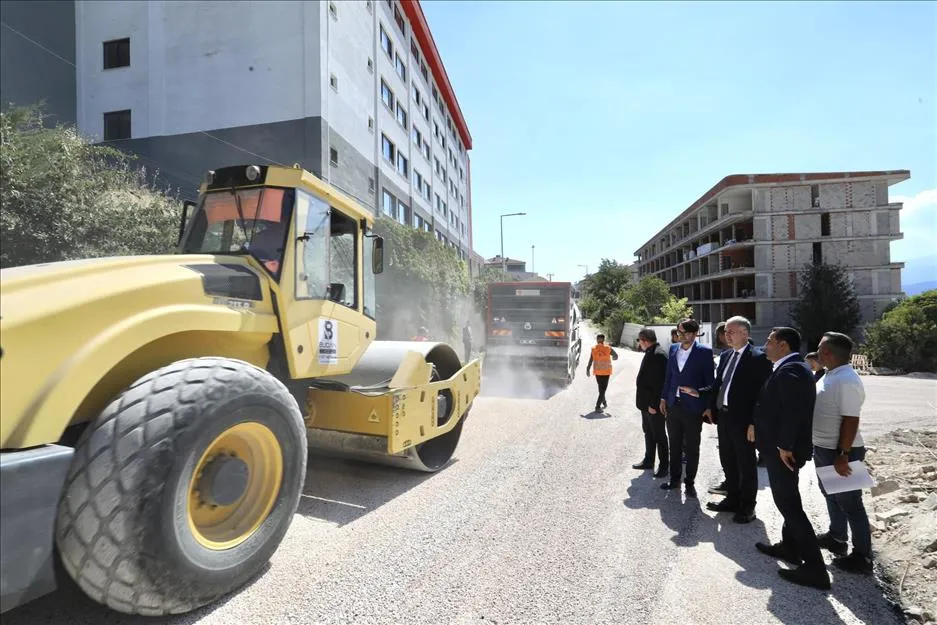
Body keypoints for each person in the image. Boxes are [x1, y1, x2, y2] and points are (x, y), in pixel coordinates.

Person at [751, 327, 830, 590]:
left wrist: (784, 445)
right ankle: (789, 548)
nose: (766, 344)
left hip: (783, 452)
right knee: (788, 500)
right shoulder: (789, 367)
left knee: (789, 505)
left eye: (770, 341)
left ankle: (816, 570)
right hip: (780, 448)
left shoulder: (793, 369)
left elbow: (792, 412)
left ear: (783, 345)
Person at [813, 331, 873, 574]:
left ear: (827, 352)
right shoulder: (831, 375)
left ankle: (862, 557)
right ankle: (837, 537)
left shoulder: (846, 379)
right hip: (825, 448)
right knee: (831, 495)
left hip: (841, 452)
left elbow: (850, 420)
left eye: (819, 347)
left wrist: (843, 454)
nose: (816, 351)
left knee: (851, 504)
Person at [704, 316, 772, 523]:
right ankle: (732, 498)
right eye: (725, 332)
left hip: (744, 421)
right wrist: (709, 406)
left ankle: (748, 506)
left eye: (731, 332)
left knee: (746, 463)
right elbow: (719, 385)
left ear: (745, 333)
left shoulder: (758, 358)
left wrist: (754, 422)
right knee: (728, 460)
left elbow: (763, 394)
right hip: (724, 417)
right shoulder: (725, 356)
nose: (727, 335)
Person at [658, 318, 714, 497]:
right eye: (678, 332)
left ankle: (689, 482)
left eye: (682, 332)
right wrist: (663, 398)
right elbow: (668, 377)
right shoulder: (674, 348)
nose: (678, 335)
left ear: (693, 333)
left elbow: (710, 383)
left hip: (692, 408)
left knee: (692, 446)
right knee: (674, 444)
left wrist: (699, 394)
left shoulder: (704, 352)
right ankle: (674, 480)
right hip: (673, 406)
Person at [633, 328, 670, 477]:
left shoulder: (658, 355)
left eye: (639, 340)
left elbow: (659, 384)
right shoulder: (651, 351)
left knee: (659, 436)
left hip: (653, 406)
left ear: (645, 340)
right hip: (646, 405)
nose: (639, 343)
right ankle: (649, 460)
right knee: (648, 432)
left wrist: (654, 405)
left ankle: (663, 466)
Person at [586, 333, 618, 413]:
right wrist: (614, 358)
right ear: (604, 340)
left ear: (597, 340)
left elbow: (591, 359)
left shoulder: (593, 348)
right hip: (606, 372)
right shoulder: (608, 348)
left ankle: (604, 402)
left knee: (601, 389)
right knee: (603, 390)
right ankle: (597, 406)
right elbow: (616, 356)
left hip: (597, 372)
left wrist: (588, 368)